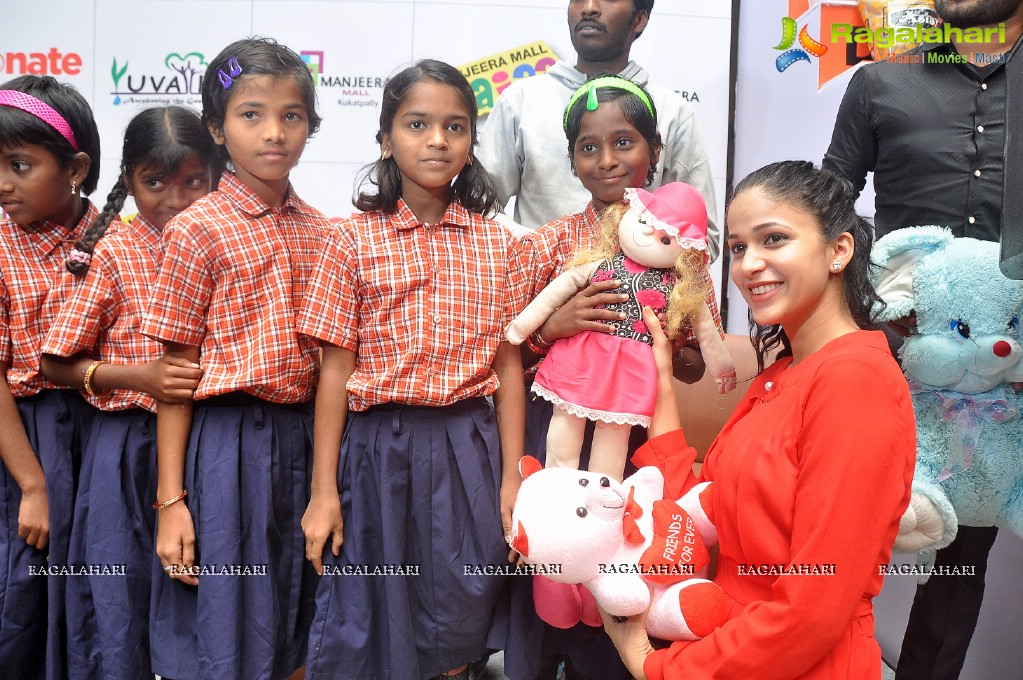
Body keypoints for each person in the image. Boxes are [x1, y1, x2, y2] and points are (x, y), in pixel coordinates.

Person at [600, 161, 916, 678]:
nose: (749, 264)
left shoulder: (855, 382)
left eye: (774, 239)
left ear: (839, 250)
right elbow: (710, 507)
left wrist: (652, 667)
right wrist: (657, 372)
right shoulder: (787, 373)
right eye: (740, 248)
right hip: (730, 644)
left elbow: (811, 612)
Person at [297, 59, 525, 680]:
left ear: (472, 143)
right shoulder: (349, 241)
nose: (437, 140)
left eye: (455, 127)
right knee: (368, 615)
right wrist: (323, 493)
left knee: (458, 607)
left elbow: (509, 369)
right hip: (376, 451)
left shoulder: (501, 244)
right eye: (417, 124)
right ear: (385, 138)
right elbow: (334, 376)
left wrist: (510, 478)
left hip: (466, 446)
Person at [822, 1, 1023, 675]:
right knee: (835, 537)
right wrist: (870, 302)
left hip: (1001, 378)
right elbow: (824, 211)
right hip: (885, 368)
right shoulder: (880, 82)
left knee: (957, 566)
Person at [502, 74, 722, 680]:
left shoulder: (682, 253)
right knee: (549, 569)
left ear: (653, 148)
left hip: (632, 444)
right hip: (557, 435)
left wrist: (666, 334)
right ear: (571, 160)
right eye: (588, 147)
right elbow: (507, 350)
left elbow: (696, 361)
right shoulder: (549, 244)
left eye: (623, 142)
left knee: (623, 573)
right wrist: (556, 328)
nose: (606, 160)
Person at [138, 38, 328, 680]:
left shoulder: (325, 232)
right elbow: (175, 377)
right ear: (217, 128)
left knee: (299, 609)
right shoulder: (197, 229)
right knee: (224, 618)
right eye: (251, 115)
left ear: (310, 125)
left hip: (306, 437)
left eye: (291, 116)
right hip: (224, 450)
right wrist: (171, 501)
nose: (273, 133)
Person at [40, 105, 217, 680]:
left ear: (218, 174)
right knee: (120, 600)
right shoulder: (117, 251)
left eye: (194, 180)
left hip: (204, 448)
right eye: (155, 181)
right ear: (128, 181)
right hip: (124, 450)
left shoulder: (225, 242)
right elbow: (55, 362)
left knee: (197, 597)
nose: (175, 198)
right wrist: (137, 376)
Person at [477, 0, 720, 260]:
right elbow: (479, 204)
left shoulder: (673, 111)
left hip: (639, 296)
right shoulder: (522, 100)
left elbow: (703, 237)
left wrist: (636, 268)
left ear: (639, 18)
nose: (589, 7)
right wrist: (542, 250)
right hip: (539, 290)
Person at [0, 74, 101, 680]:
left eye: (18, 164)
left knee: (100, 600)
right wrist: (33, 484)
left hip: (109, 438)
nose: (2, 183)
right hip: (26, 443)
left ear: (75, 167)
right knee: (24, 596)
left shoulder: (119, 236)